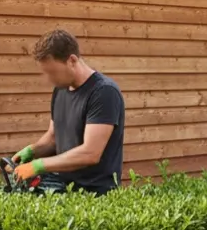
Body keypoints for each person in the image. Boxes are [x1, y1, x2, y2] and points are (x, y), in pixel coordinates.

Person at [11, 30, 125, 195]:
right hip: (64, 187)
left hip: (94, 195)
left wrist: (39, 165)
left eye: (52, 72)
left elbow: (90, 153)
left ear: (72, 60)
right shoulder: (60, 90)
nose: (49, 79)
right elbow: (53, 137)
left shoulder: (103, 92)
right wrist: (31, 152)